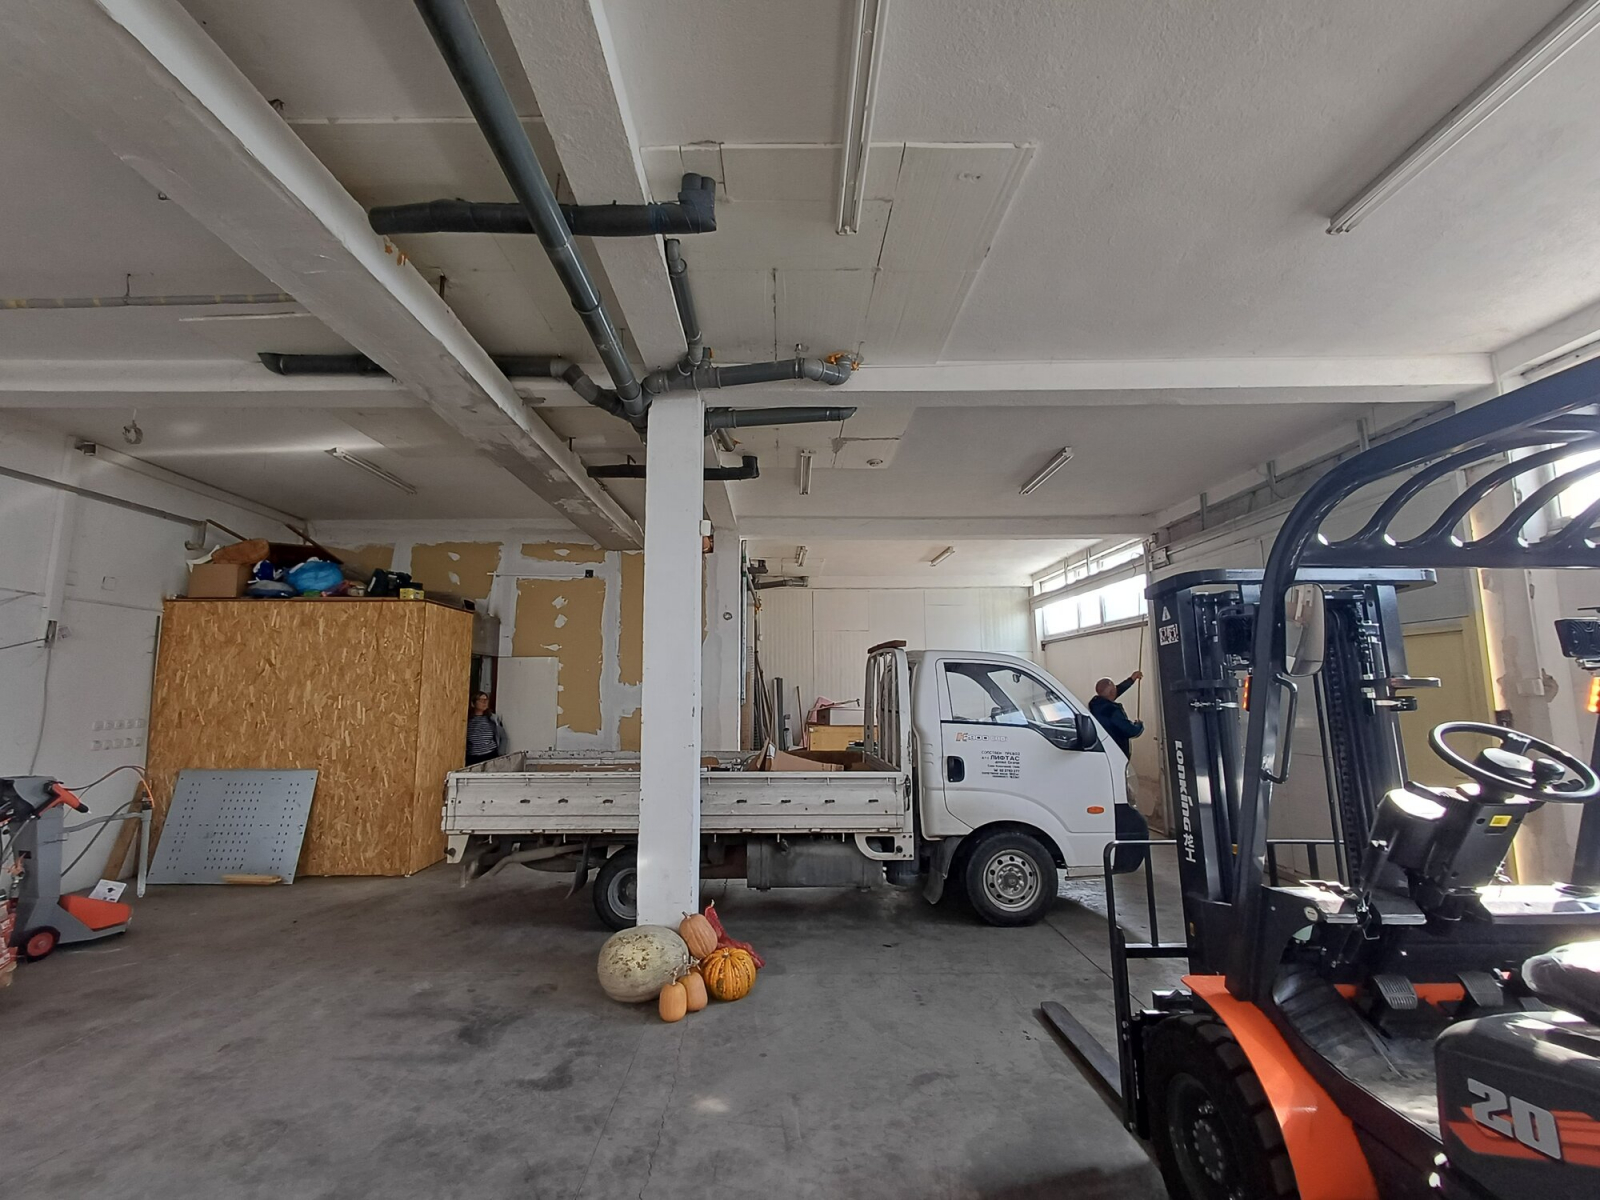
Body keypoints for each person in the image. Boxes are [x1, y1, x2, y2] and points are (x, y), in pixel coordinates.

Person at [1088, 671, 1144, 757]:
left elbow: (1114, 692)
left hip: (1105, 750)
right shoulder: (1112, 711)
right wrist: (1139, 725)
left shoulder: (1095, 704)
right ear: (1112, 692)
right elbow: (1131, 731)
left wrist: (1131, 680)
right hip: (1117, 753)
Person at [465, 691, 509, 766]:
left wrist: (501, 754)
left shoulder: (492, 719)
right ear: (473, 703)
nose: (484, 703)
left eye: (486, 700)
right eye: (481, 700)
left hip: (490, 756)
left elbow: (503, 737)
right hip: (473, 758)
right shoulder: (467, 720)